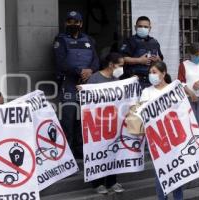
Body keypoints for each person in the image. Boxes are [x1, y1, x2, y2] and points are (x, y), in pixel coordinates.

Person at [53, 11, 99, 158]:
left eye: (76, 22)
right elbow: (61, 62)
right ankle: (67, 153)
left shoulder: (88, 40)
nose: (73, 24)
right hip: (70, 84)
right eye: (69, 21)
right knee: (68, 118)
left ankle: (80, 150)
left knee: (84, 118)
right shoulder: (60, 40)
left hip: (87, 85)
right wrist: (80, 71)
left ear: (81, 24)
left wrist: (90, 70)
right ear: (66, 23)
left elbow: (96, 60)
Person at [140, 61, 183, 200]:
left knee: (177, 171)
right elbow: (142, 112)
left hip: (174, 137)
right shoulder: (146, 92)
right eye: (150, 72)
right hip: (156, 138)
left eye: (154, 72)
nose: (151, 75)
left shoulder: (173, 89)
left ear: (163, 73)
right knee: (161, 172)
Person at [86, 52, 125, 194]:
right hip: (98, 123)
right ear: (111, 65)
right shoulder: (94, 79)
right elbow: (87, 101)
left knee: (113, 152)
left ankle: (112, 181)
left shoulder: (117, 79)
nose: (122, 68)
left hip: (113, 123)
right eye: (120, 65)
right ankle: (97, 183)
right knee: (99, 152)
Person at [120, 16, 163, 88]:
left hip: (152, 81)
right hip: (134, 80)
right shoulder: (130, 41)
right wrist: (139, 60)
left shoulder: (154, 42)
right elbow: (122, 59)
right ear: (135, 27)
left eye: (146, 27)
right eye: (140, 26)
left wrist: (157, 60)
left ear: (150, 28)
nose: (143, 28)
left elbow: (161, 59)